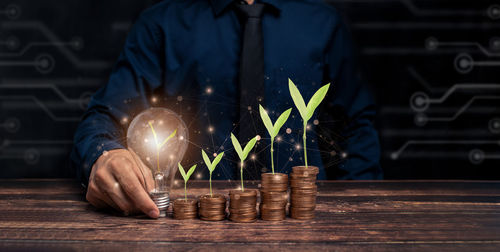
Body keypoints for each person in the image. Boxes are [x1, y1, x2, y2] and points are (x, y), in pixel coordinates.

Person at [71, 0, 383, 218]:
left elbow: (357, 126)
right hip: (190, 225)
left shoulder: (323, 23)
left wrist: (358, 211)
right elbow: (103, 118)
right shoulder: (161, 24)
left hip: (302, 224)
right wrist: (103, 155)